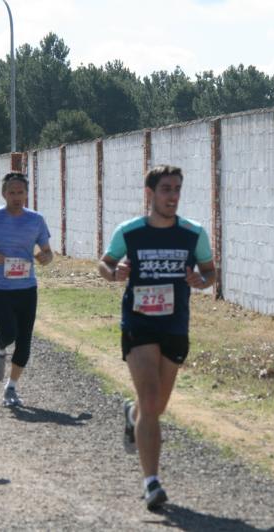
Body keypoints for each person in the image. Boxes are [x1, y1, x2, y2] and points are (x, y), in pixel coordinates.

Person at [97, 165, 216, 511]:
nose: (173, 195)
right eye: (166, 189)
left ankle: (131, 413)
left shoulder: (193, 233)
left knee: (154, 407)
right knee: (151, 400)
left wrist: (203, 281)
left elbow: (210, 271)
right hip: (139, 323)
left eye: (177, 188)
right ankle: (152, 483)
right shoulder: (130, 232)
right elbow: (104, 264)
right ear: (150, 193)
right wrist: (114, 273)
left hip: (175, 325)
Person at [0, 172, 53, 407]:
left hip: (27, 286)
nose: (17, 197)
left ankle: (11, 388)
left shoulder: (36, 220)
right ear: (4, 194)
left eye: (21, 192)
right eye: (12, 192)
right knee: (8, 332)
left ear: (27, 194)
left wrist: (44, 257)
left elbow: (48, 253)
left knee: (25, 340)